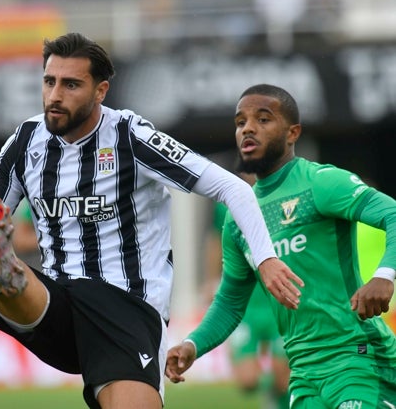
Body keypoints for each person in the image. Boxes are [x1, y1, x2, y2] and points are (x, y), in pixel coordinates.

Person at [0, 33, 302, 409]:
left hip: (126, 307)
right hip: (56, 302)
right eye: (49, 81)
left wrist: (265, 259)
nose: (55, 95)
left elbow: (234, 189)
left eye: (71, 85)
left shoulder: (132, 137)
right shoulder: (24, 143)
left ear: (100, 91)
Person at [166, 84, 396, 408]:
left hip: (356, 357)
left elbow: (392, 214)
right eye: (240, 121)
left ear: (293, 133)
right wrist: (193, 344)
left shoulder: (320, 183)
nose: (247, 127)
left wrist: (384, 275)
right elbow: (231, 302)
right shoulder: (237, 219)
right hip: (303, 373)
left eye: (263, 119)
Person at [203, 173, 290, 409]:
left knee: (284, 377)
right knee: (248, 381)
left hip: (277, 299)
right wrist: (211, 282)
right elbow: (214, 243)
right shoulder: (226, 208)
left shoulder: (282, 202)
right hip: (246, 303)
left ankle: (279, 400)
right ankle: (271, 394)